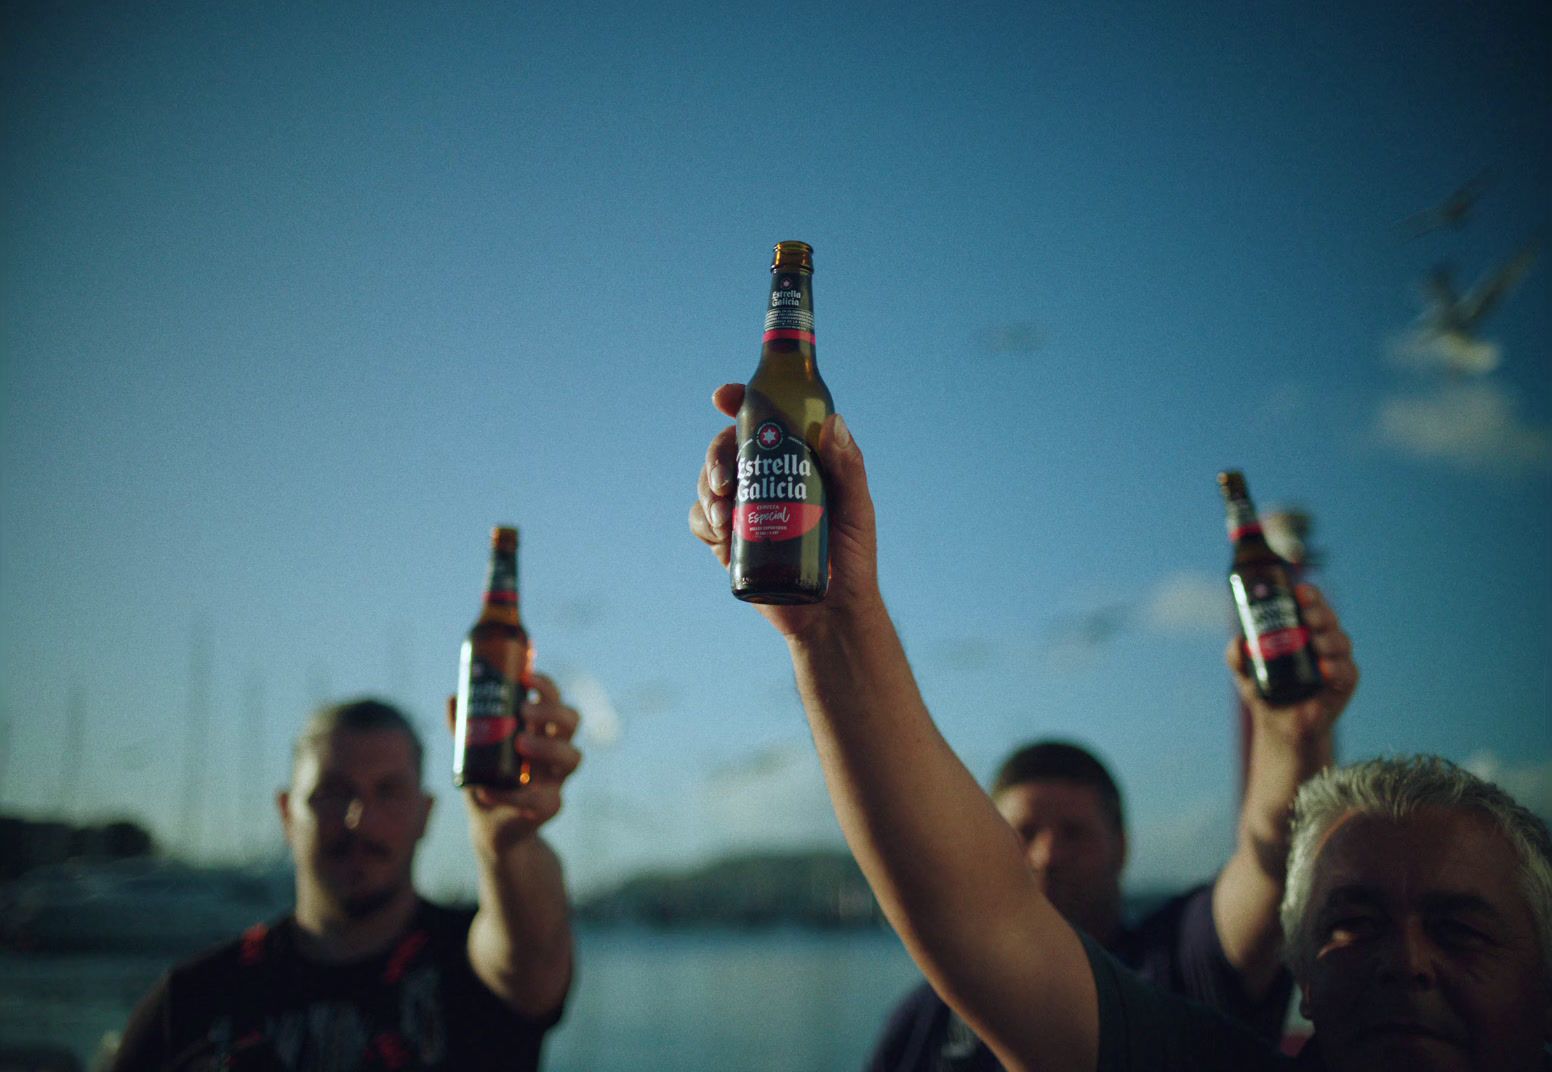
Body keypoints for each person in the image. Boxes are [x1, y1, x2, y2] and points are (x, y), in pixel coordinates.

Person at [690, 384, 1551, 1071]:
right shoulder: (925, 1026)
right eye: (1350, 923)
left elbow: (1264, 850)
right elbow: (978, 919)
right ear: (1305, 977)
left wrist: (1291, 732)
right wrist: (827, 617)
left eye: (1462, 929)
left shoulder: (1180, 965)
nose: (1406, 963)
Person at [111, 678, 581, 1071]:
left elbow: (530, 958)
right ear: (287, 814)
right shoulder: (194, 1000)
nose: (360, 818)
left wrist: (507, 842)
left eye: (389, 792)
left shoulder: (470, 973)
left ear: (426, 814)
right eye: (333, 792)